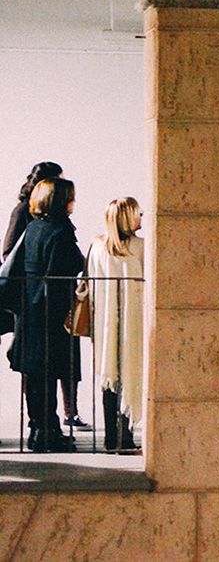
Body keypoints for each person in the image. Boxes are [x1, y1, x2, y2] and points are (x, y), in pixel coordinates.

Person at [2, 161, 90, 431]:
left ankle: (41, 426)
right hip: (50, 308)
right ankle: (48, 429)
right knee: (49, 369)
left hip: (32, 304)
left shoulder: (37, 227)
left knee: (39, 371)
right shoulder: (57, 230)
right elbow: (68, 265)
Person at [87, 197, 144, 452]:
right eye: (137, 213)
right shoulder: (141, 247)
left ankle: (112, 436)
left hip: (106, 320)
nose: (141, 217)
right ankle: (125, 436)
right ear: (127, 217)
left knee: (109, 375)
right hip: (133, 319)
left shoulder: (97, 247)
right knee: (130, 371)